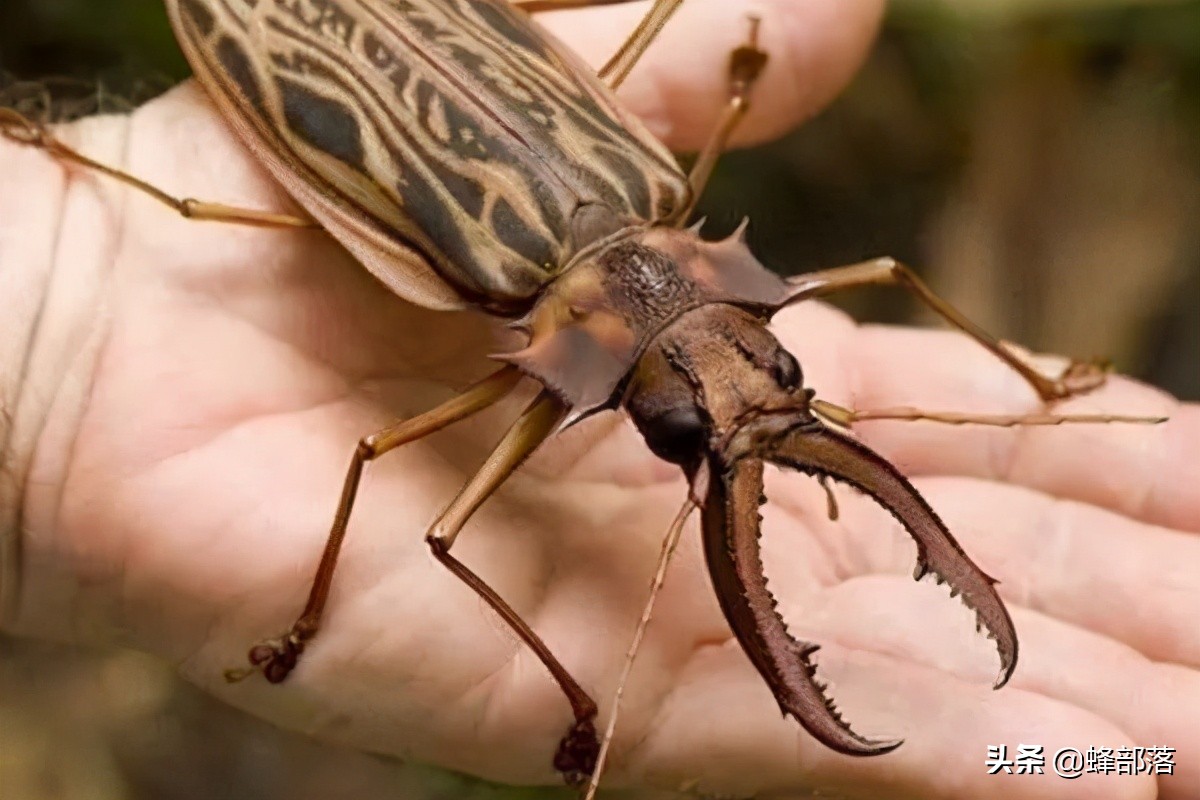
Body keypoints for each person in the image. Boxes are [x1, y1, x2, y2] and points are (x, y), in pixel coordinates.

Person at [0, 2, 1194, 797]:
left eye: (764, 383)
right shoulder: (555, 227)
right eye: (706, 417)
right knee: (381, 443)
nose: (737, 417)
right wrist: (48, 323)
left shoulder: (638, 178)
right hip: (264, 37)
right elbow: (397, 490)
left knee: (429, 500)